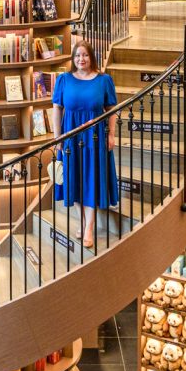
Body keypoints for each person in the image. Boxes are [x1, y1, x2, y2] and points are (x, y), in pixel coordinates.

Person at [50, 41, 119, 249]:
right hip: (70, 139)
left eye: (85, 55)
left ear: (92, 58)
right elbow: (56, 110)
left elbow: (111, 110)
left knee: (91, 179)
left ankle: (89, 226)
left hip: (95, 138)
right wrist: (57, 138)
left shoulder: (104, 80)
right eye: (78, 55)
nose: (81, 59)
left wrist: (112, 135)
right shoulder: (63, 80)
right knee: (74, 180)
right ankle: (82, 219)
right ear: (73, 58)